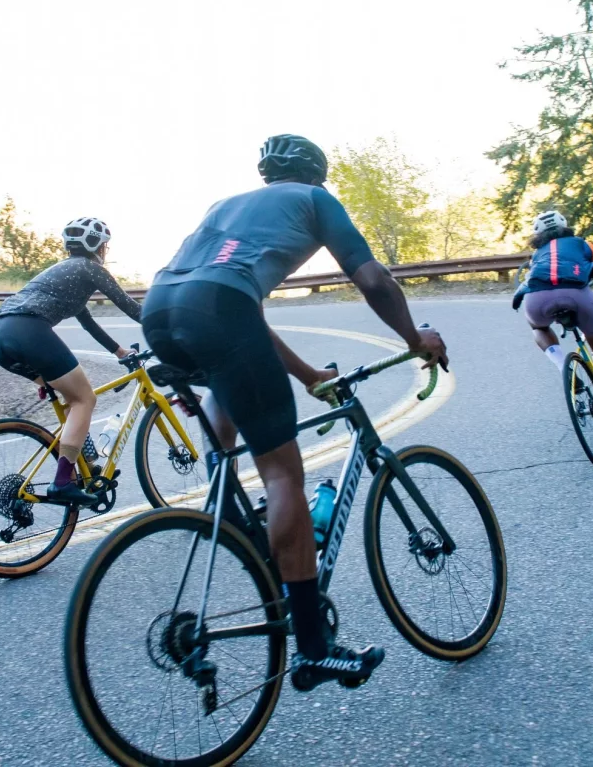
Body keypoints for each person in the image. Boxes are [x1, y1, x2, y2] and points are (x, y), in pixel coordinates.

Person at [141, 134, 449, 691]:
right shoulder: (313, 199)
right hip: (221, 309)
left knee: (226, 386)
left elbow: (240, 319)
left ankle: (231, 515)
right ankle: (313, 648)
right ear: (315, 174)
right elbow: (373, 279)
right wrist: (414, 337)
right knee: (283, 473)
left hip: (160, 309)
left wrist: (309, 376)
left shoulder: (225, 206)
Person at [0, 218, 143, 505]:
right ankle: (62, 482)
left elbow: (88, 324)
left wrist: (120, 352)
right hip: (29, 331)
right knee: (85, 399)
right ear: (98, 246)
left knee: (71, 400)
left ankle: (86, 467)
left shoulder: (64, 272)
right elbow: (131, 308)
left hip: (0, 337)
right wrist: (169, 327)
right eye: (105, 246)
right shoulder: (90, 268)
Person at [512, 210, 593, 434]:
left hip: (537, 299)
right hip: (576, 294)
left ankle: (563, 366)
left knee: (538, 328)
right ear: (565, 226)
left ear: (537, 235)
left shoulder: (537, 255)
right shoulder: (581, 244)